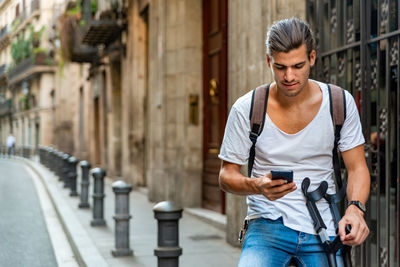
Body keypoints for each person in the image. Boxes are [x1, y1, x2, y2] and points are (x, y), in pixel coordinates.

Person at [218, 18, 370, 267]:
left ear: (312, 57)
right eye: (280, 67)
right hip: (267, 226)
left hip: (323, 227)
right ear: (269, 62)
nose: (289, 76)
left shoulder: (339, 103)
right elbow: (226, 176)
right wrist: (257, 185)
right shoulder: (247, 108)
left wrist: (355, 209)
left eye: (298, 66)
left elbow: (357, 168)